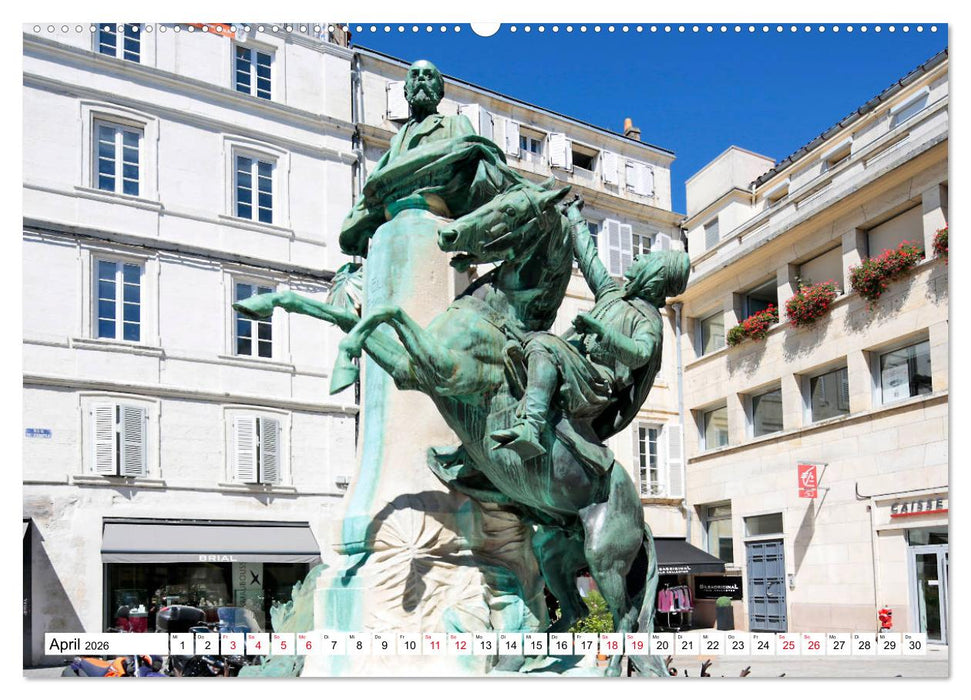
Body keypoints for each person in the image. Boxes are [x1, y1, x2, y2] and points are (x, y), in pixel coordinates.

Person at [490, 202, 690, 458]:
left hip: (595, 383)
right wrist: (574, 216)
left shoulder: (648, 321)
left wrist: (600, 330)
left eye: (646, 258)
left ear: (653, 276)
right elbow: (588, 258)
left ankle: (532, 426)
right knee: (511, 342)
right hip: (575, 366)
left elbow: (640, 354)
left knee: (543, 343)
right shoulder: (612, 295)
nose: (638, 256)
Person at [339, 60, 478, 258]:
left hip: (436, 218)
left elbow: (473, 157)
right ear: (406, 92)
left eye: (429, 76)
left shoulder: (455, 124)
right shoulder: (397, 140)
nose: (421, 78)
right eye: (415, 75)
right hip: (393, 224)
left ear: (440, 92)